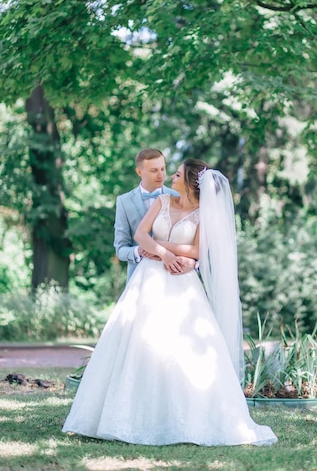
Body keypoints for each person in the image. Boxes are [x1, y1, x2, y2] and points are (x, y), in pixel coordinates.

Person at [62, 159, 277, 446]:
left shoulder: (203, 214)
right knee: (141, 340)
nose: (170, 176)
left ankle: (183, 416)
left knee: (181, 348)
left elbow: (198, 250)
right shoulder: (162, 200)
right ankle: (123, 416)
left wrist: (166, 250)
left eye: (176, 174)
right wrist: (165, 255)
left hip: (182, 285)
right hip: (149, 279)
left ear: (190, 182)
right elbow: (141, 234)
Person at [114, 148, 196, 282]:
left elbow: (195, 240)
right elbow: (120, 248)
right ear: (139, 172)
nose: (161, 175)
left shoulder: (178, 195)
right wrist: (139, 251)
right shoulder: (124, 201)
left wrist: (193, 263)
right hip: (139, 279)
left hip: (175, 275)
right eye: (154, 170)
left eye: (163, 169)